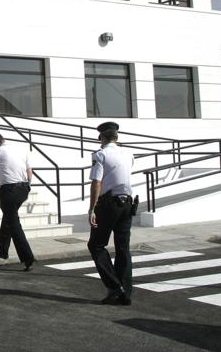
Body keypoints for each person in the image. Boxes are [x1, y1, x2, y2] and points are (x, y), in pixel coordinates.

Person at [88, 121, 135, 306]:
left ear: (102, 137)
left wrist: (92, 208)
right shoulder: (128, 154)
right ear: (116, 137)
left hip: (108, 204)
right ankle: (126, 292)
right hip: (127, 203)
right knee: (123, 248)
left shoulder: (101, 154)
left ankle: (115, 287)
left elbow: (96, 182)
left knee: (96, 245)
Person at [0, 132, 35, 271]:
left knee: (14, 224)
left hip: (9, 191)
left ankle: (28, 258)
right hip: (23, 188)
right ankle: (3, 250)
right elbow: (29, 170)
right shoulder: (20, 149)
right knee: (9, 217)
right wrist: (28, 185)